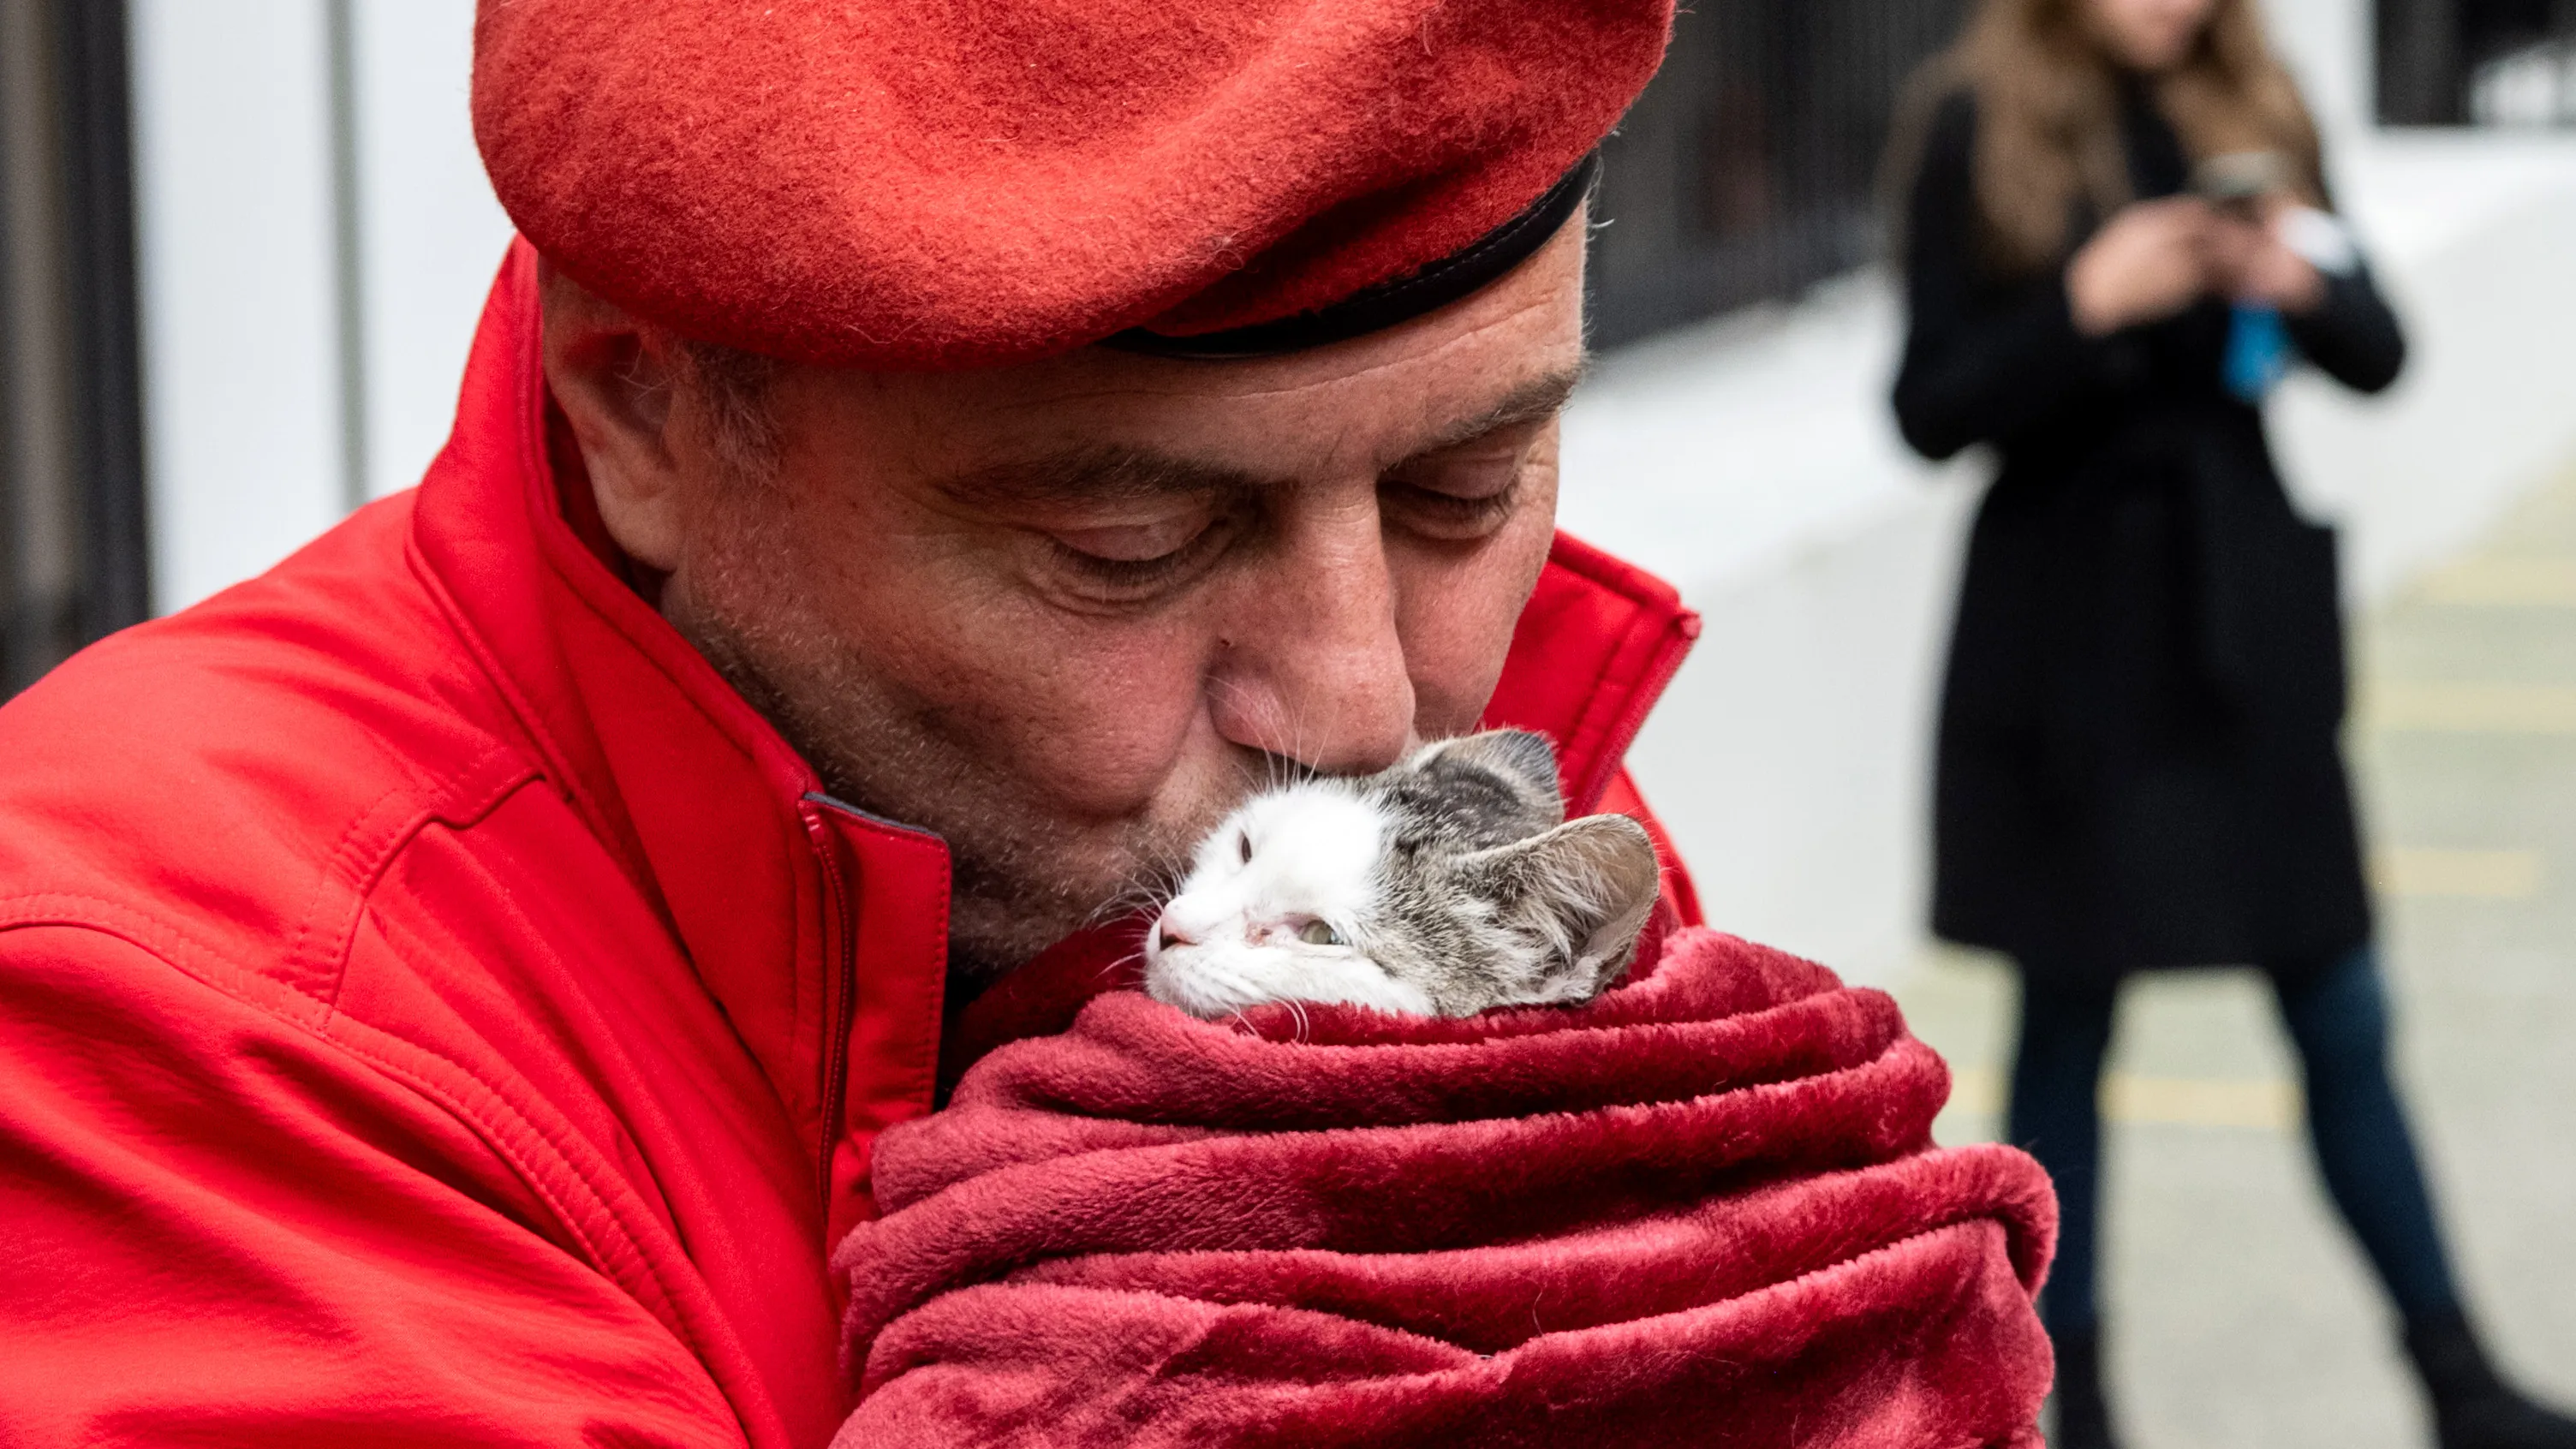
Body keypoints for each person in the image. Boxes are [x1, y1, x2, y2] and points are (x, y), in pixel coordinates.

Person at [0, 2, 2061, 1444]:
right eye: (1127, 535)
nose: (1361, 699)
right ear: (643, 410)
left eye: (1465, 486)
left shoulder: (1426, 782)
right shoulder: (161, 1027)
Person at [1889, 1, 2576, 1446]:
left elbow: (2384, 349)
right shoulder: (1973, 115)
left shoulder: (2261, 97)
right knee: (2068, 1021)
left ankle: (2458, 1381)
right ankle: (2073, 1410)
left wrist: (2297, 277)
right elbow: (1933, 405)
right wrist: (2090, 304)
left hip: (2241, 625)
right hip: (2068, 636)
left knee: (2342, 1004)